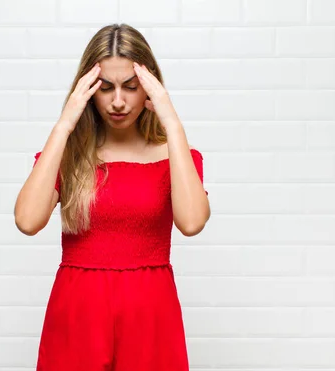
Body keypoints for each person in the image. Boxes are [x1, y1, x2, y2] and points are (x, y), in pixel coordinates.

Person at [14, 23, 210, 371]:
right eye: (105, 88)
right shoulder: (69, 153)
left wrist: (171, 120)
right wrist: (64, 125)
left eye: (131, 87)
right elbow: (27, 221)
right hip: (78, 315)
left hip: (151, 318)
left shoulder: (174, 155)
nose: (118, 101)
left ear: (149, 88)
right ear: (88, 90)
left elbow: (192, 222)